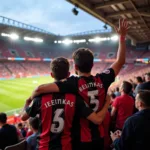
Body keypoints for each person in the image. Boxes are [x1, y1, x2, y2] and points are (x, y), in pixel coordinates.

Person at [28, 19, 129, 150]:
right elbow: (120, 61)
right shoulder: (103, 79)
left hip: (80, 139)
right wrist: (122, 37)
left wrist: (32, 97)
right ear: (92, 65)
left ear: (75, 67)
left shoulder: (73, 83)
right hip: (100, 135)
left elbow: (40, 89)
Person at [21, 57, 110, 150]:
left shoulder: (39, 99)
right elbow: (97, 119)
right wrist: (107, 102)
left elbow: (23, 117)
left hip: (44, 147)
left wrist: (27, 102)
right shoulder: (76, 98)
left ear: (51, 74)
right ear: (68, 75)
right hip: (67, 146)